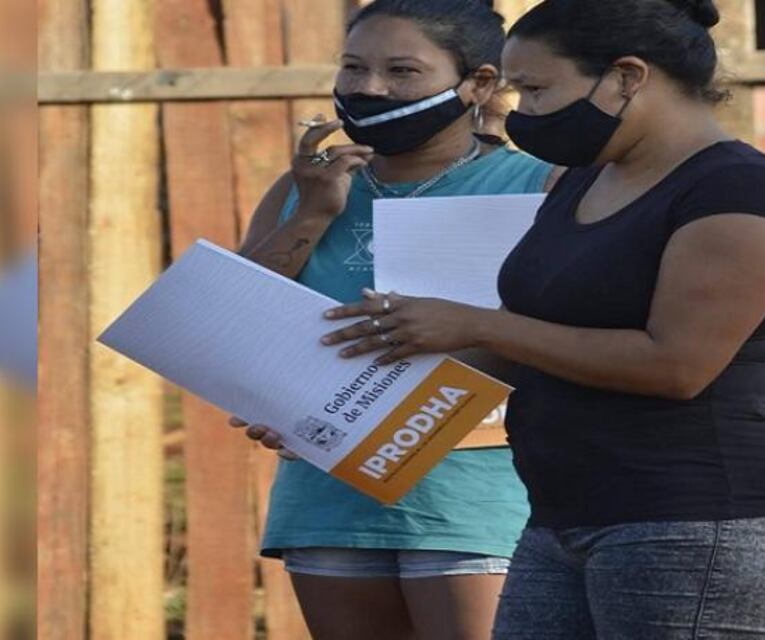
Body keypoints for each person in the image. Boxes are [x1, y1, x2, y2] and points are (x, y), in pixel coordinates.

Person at [320, 1, 765, 638]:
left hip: (700, 519)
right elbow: (527, 345)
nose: (521, 113)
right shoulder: (584, 181)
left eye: (536, 90)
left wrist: (479, 324)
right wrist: (323, 410)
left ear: (627, 77)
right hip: (563, 517)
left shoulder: (740, 193)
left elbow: (675, 365)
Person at [229, 1, 560, 638]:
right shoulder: (303, 188)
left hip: (476, 495)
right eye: (354, 67)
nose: (369, 88)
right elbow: (238, 320)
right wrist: (312, 214)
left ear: (480, 84)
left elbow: (561, 339)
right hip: (329, 499)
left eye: (402, 71)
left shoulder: (540, 186)